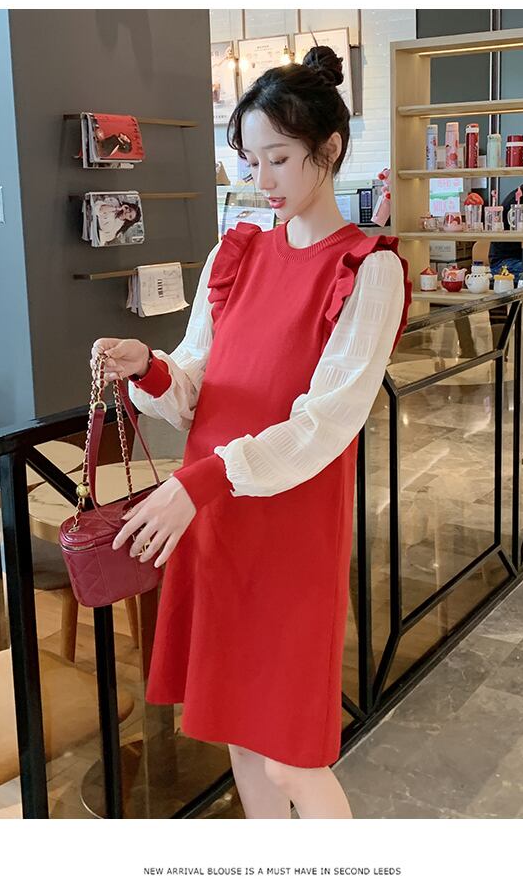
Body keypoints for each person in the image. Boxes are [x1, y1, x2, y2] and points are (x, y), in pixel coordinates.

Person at [91, 46, 411, 819]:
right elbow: (199, 383)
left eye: (280, 159)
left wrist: (198, 482)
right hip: (213, 518)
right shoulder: (234, 253)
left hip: (288, 526)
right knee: (236, 726)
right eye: (251, 159)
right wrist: (149, 367)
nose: (262, 180)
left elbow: (324, 422)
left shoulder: (368, 269)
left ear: (329, 148)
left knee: (294, 755)